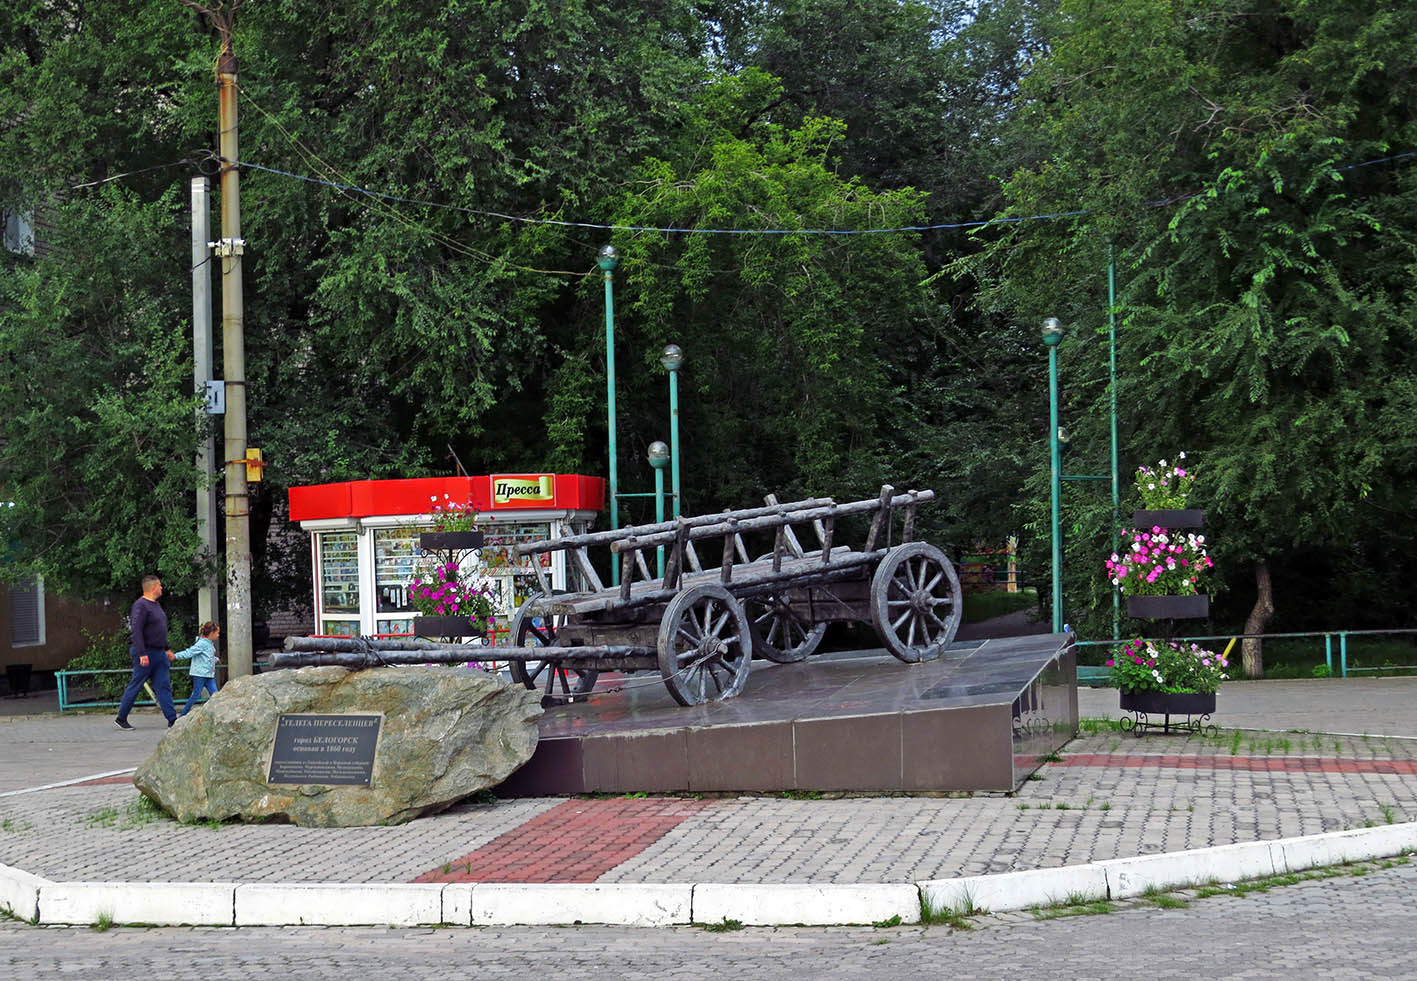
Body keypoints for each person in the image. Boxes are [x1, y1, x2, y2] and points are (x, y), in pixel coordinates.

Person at [114, 575, 176, 730]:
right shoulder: (141, 605)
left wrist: (167, 648)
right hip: (146, 652)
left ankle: (172, 719)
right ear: (153, 587)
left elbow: (160, 630)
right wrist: (141, 653)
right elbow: (136, 630)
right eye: (160, 585)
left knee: (163, 685)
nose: (162, 588)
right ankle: (121, 718)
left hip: (159, 652)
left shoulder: (157, 606)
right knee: (136, 684)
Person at [174, 621, 221, 717]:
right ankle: (182, 715)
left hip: (208, 674)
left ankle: (217, 715)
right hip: (200, 674)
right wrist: (175, 656)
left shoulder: (208, 643)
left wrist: (216, 659)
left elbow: (207, 657)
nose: (218, 635)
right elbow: (189, 652)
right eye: (217, 633)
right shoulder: (202, 643)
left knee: (215, 695)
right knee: (196, 695)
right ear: (211, 633)